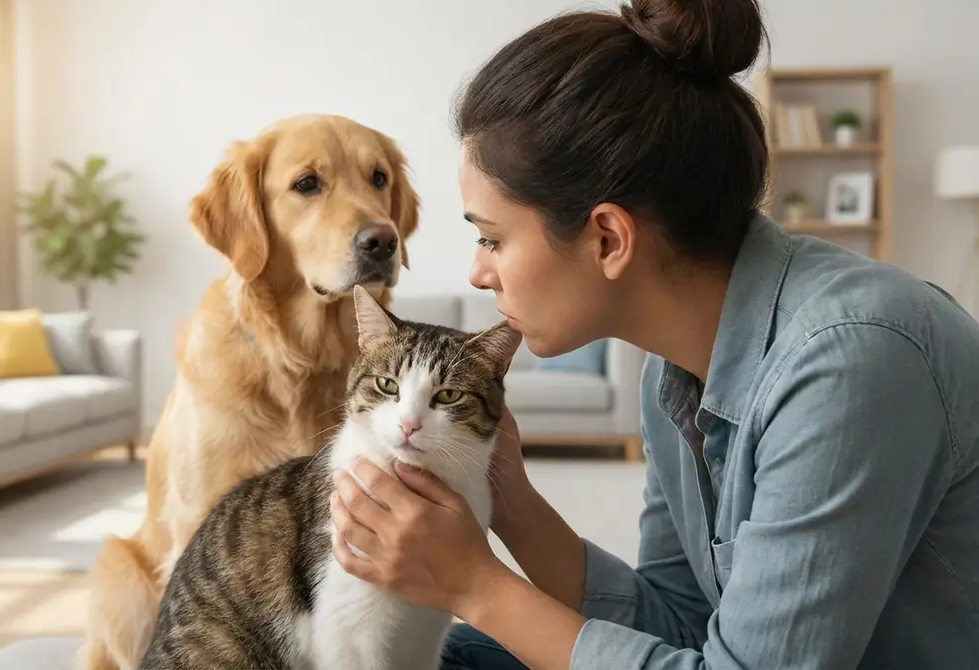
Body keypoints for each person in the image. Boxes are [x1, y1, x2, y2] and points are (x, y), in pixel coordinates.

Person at [327, 0, 979, 668]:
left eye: (491, 238)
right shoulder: (673, 378)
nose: (477, 273)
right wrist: (508, 499)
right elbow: (679, 625)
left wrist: (473, 584)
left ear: (608, 237)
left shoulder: (852, 359)